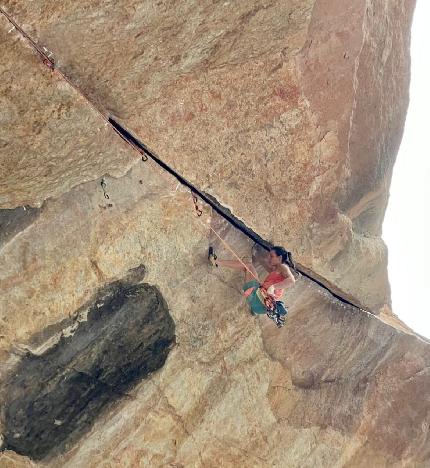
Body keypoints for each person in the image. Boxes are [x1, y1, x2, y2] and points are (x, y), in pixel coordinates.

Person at [208, 245, 295, 315]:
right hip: (260, 307)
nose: (269, 258)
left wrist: (273, 287)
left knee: (248, 266)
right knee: (249, 269)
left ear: (279, 258)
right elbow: (263, 261)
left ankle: (217, 262)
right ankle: (254, 309)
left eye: (272, 256)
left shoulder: (283, 267)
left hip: (259, 299)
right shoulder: (275, 269)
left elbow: (292, 281)